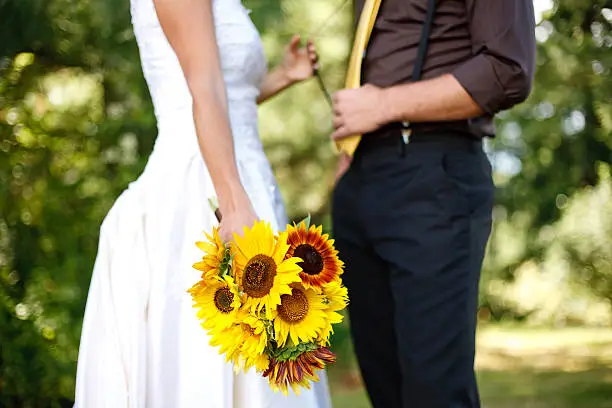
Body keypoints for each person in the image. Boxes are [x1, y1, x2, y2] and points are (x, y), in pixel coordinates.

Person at [73, 0, 331, 406]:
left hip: (244, 176)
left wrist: (284, 75)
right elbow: (202, 89)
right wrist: (232, 202)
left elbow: (227, 94)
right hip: (202, 189)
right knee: (210, 357)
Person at [331, 0, 536, 407]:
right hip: (361, 179)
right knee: (383, 385)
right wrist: (347, 164)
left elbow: (507, 69)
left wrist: (384, 105)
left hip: (433, 177)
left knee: (434, 392)